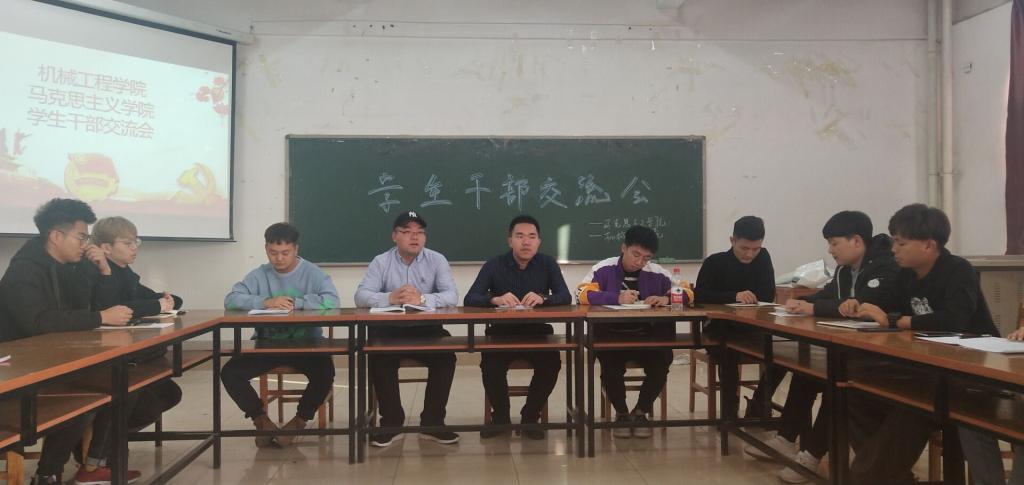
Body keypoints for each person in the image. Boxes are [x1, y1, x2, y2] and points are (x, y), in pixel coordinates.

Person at [849, 204, 1001, 485]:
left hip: (970, 371)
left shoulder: (958, 270)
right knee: (852, 388)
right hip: (927, 366)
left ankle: (868, 476)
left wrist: (899, 321)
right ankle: (887, 475)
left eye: (901, 243)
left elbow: (954, 319)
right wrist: (866, 307)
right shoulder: (906, 273)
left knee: (915, 401)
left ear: (929, 245)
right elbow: (887, 308)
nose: (893, 249)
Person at [748, 211, 898, 484]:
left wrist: (815, 308)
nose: (830, 250)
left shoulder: (886, 266)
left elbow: (863, 306)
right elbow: (829, 296)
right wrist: (803, 302)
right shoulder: (844, 270)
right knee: (806, 372)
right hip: (850, 349)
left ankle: (811, 455)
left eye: (834, 243)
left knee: (835, 384)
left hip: (881, 357)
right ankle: (786, 438)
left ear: (856, 241)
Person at [0, 198, 136, 485]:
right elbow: (38, 323)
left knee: (121, 381)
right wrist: (100, 317)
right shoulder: (24, 271)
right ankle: (49, 474)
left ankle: (89, 464)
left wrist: (104, 271)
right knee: (86, 394)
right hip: (19, 371)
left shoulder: (70, 267)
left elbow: (93, 309)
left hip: (54, 360)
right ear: (56, 236)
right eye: (81, 237)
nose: (86, 244)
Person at [222, 222, 340, 448]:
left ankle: (298, 422)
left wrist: (297, 303)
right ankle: (261, 421)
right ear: (266, 249)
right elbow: (231, 300)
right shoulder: (258, 275)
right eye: (273, 252)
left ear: (296, 249)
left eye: (285, 253)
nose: (278, 258)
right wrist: (265, 302)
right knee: (230, 373)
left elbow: (333, 301)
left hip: (308, 344)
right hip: (267, 345)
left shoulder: (313, 273)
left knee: (325, 373)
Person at [354, 211, 460, 447]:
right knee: (379, 356)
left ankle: (432, 423)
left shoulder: (437, 260)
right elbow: (360, 296)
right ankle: (392, 423)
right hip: (389, 329)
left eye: (420, 232)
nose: (415, 237)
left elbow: (452, 296)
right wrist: (389, 298)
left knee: (446, 357)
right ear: (395, 236)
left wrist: (421, 299)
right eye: (407, 232)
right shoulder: (381, 261)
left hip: (427, 330)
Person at [465, 214, 571, 440]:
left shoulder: (547, 264)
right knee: (491, 365)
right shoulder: (494, 264)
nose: (526, 242)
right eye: (520, 236)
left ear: (538, 241)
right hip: (501, 332)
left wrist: (544, 298)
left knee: (551, 364)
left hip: (537, 332)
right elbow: (470, 298)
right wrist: (494, 299)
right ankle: (501, 417)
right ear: (510, 240)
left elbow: (565, 296)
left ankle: (530, 417)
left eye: (532, 237)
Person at [576, 225, 673, 439]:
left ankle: (640, 412)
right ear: (623, 248)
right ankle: (621, 413)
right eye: (635, 255)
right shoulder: (604, 268)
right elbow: (581, 294)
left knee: (663, 358)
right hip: (611, 335)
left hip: (647, 337)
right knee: (609, 364)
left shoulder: (657, 273)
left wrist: (666, 298)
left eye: (646, 258)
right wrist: (616, 298)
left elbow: (686, 292)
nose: (639, 262)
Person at [694, 215, 777, 418]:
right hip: (719, 330)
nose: (750, 254)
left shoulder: (763, 258)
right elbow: (700, 295)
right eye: (744, 248)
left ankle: (758, 404)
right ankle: (730, 412)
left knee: (782, 357)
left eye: (756, 249)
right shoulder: (715, 262)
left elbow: (767, 294)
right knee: (728, 353)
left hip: (753, 329)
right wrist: (734, 296)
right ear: (732, 240)